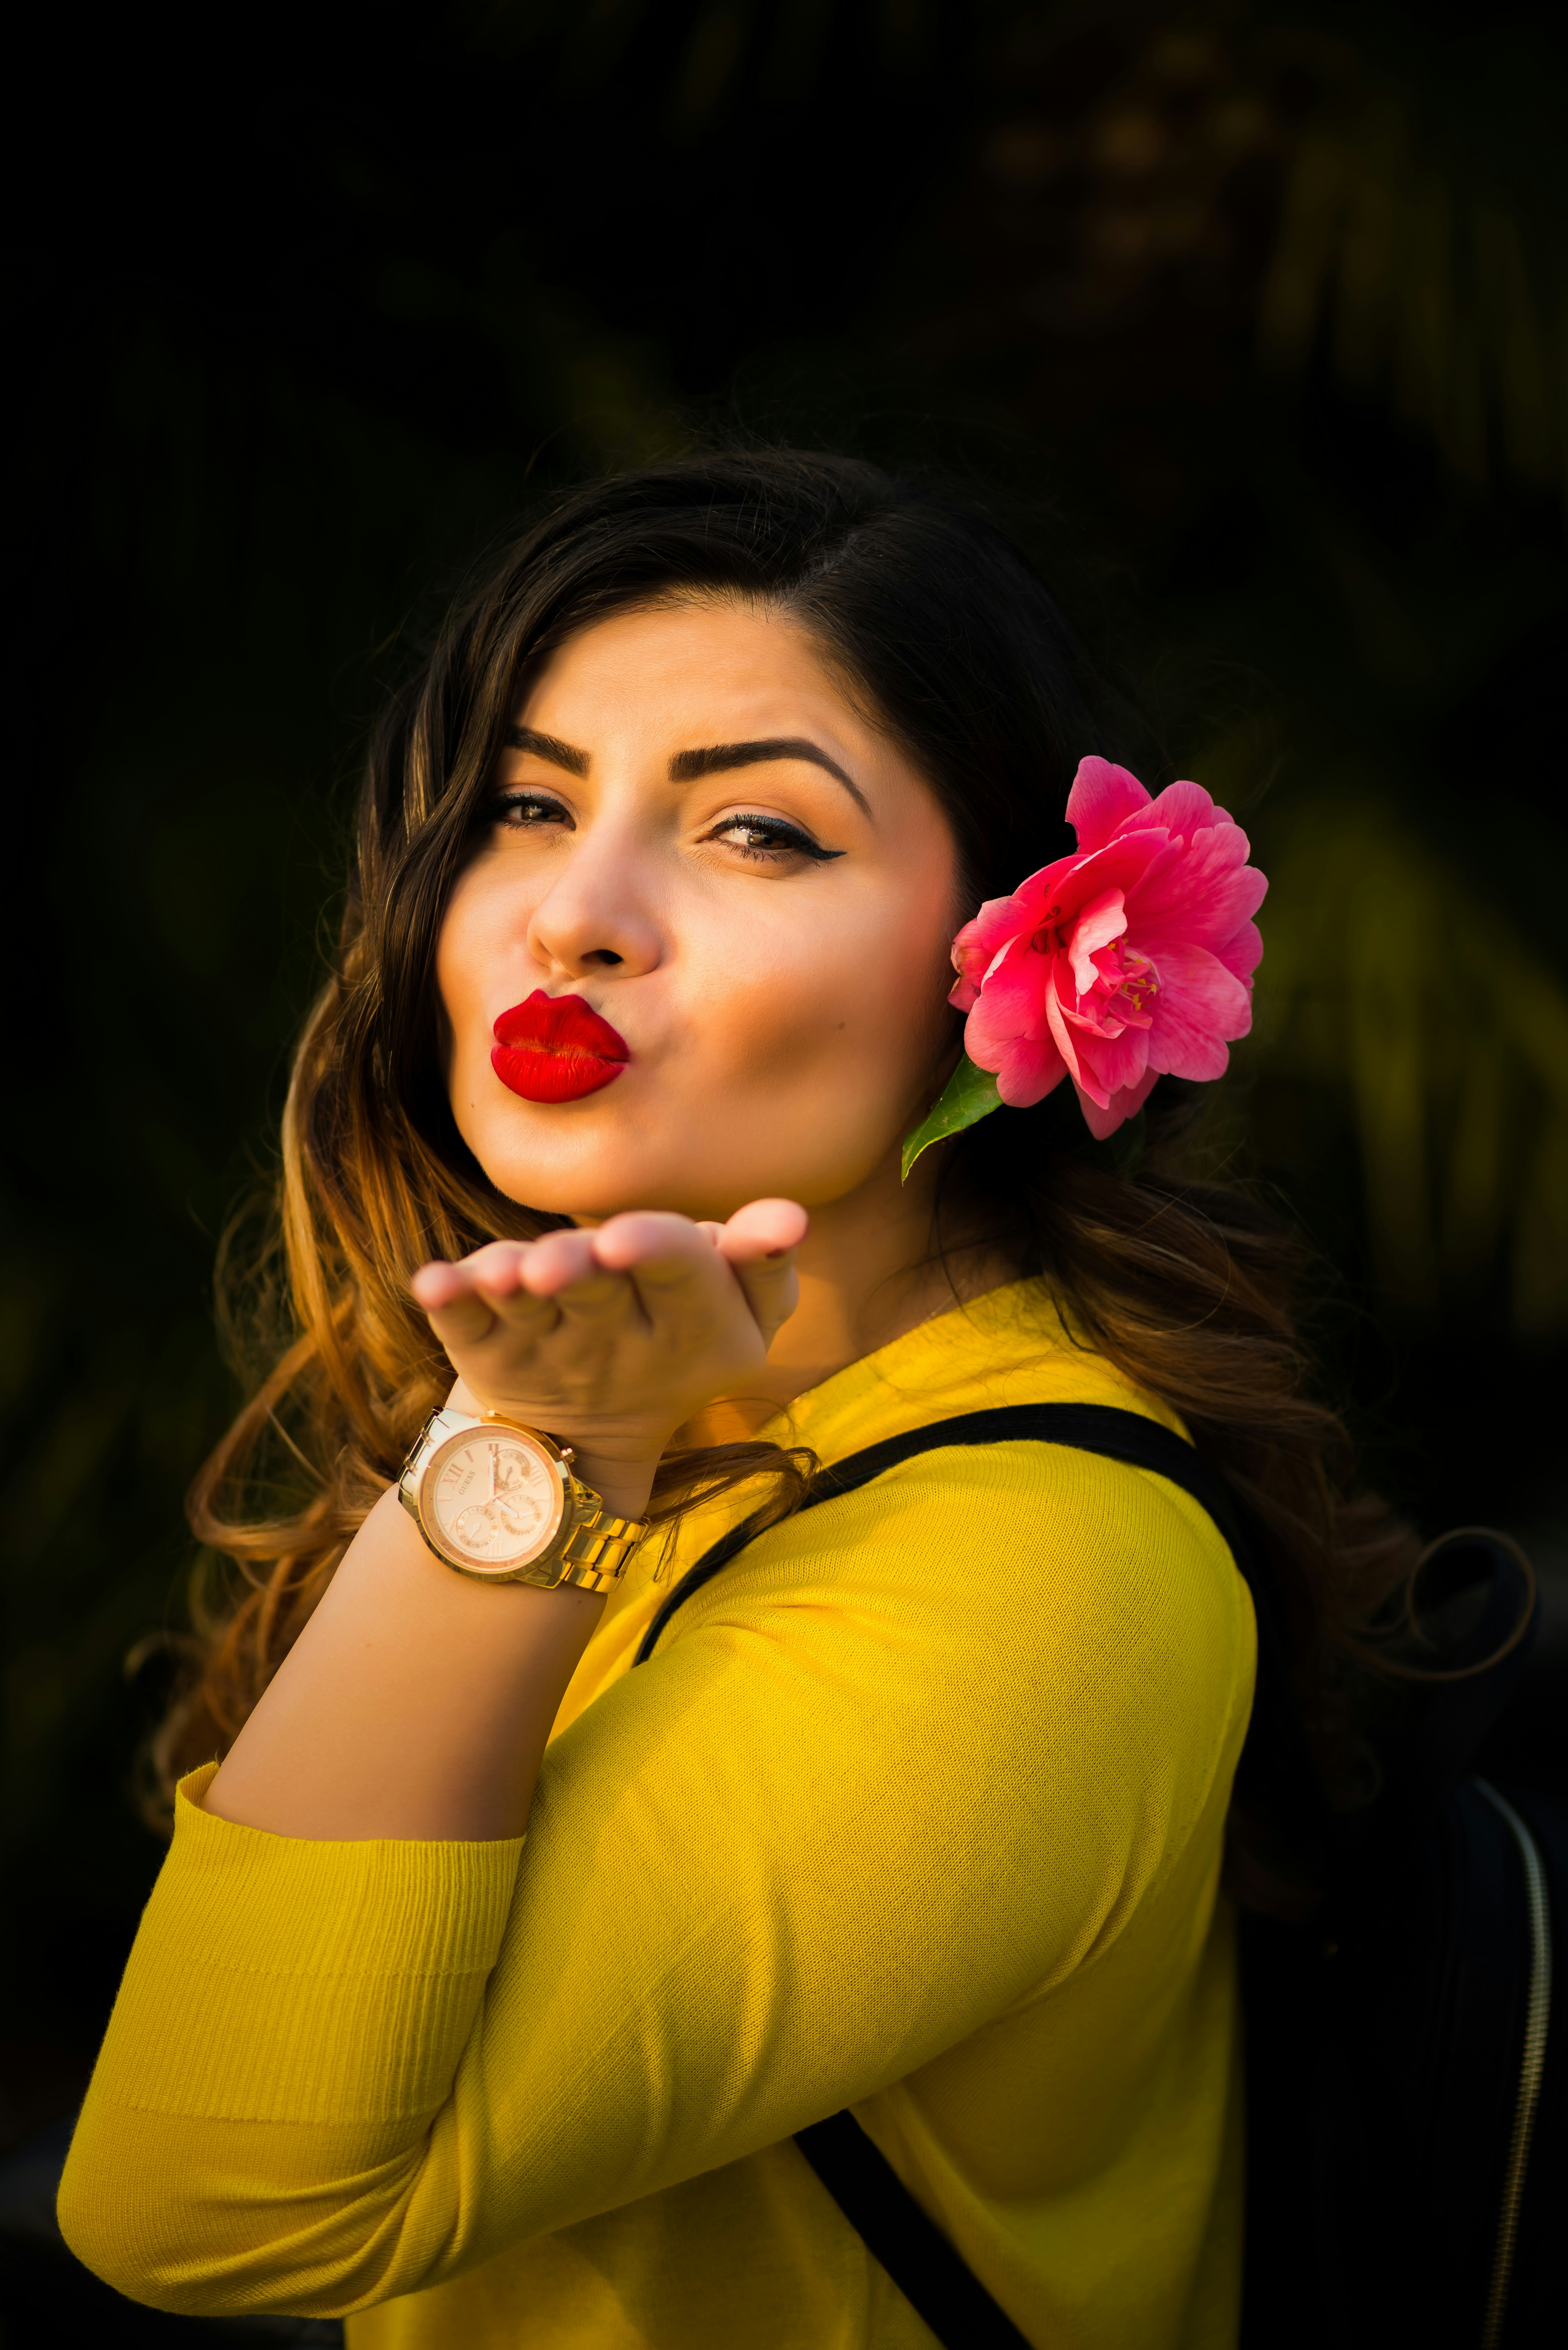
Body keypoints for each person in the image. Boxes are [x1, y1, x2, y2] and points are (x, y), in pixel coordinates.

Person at [57, 450, 1411, 2348]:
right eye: (527, 806)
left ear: (1007, 964)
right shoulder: (642, 1418)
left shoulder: (1039, 1573)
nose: (573, 917)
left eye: (758, 832)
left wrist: (531, 1457)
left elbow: (194, 2206)